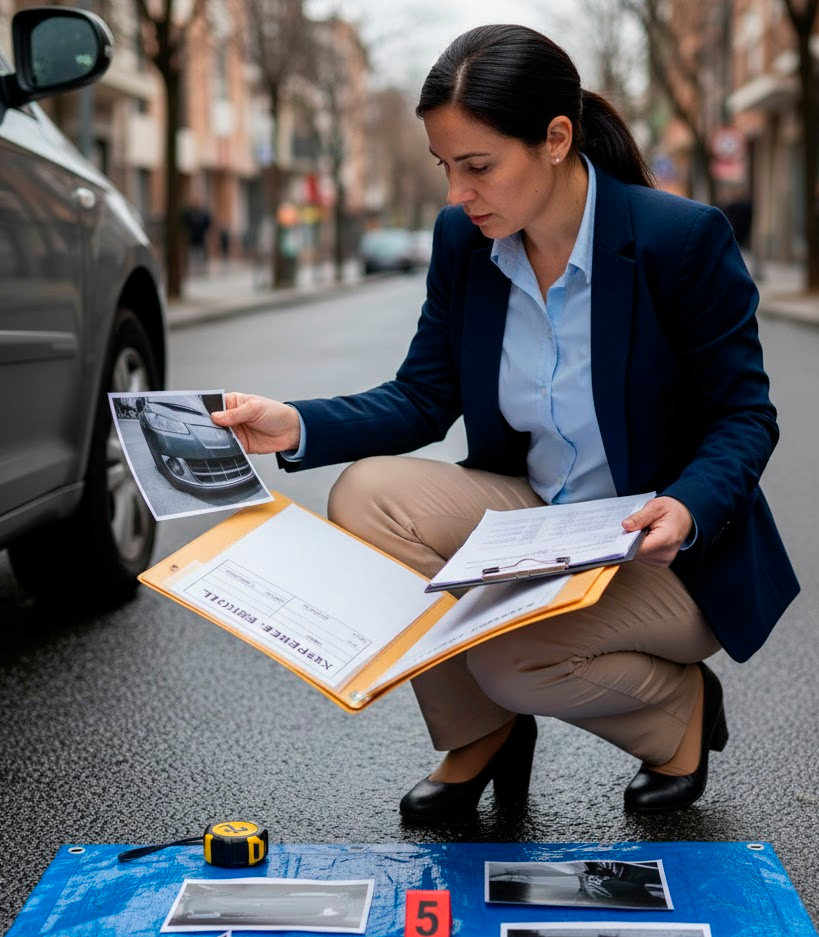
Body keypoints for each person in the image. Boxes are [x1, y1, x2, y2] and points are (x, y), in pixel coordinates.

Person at [212, 25, 799, 823]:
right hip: (540, 521)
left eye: (477, 166)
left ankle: (677, 715)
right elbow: (423, 396)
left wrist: (688, 505)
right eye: (446, 167)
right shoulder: (466, 240)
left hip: (657, 544)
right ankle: (482, 735)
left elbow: (743, 414)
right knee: (366, 495)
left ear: (555, 139)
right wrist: (295, 424)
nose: (458, 193)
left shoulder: (678, 241)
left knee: (507, 653)